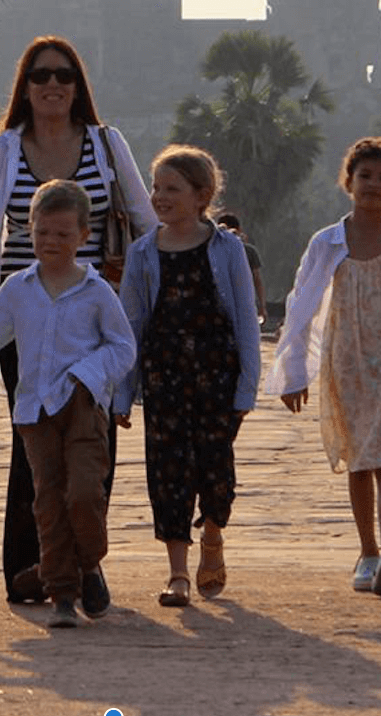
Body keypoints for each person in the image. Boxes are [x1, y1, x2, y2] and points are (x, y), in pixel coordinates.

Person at [0, 35, 155, 607]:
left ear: (79, 87)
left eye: (63, 76)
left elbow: (147, 224)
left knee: (90, 441)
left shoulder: (106, 145)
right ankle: (30, 564)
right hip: (22, 313)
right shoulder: (2, 151)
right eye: (41, 76)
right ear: (24, 88)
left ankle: (84, 564)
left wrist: (198, 256)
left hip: (91, 309)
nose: (52, 85)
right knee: (31, 439)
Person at [0, 180, 136, 628]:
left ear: (84, 236)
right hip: (34, 414)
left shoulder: (97, 292)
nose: (51, 243)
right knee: (47, 501)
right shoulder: (18, 289)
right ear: (29, 231)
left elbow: (123, 347)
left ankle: (88, 564)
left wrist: (89, 374)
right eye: (43, 233)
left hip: (82, 407)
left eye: (62, 235)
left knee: (83, 493)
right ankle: (62, 593)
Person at [267, 137, 381, 600]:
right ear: (349, 182)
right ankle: (369, 551)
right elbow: (302, 305)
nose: (373, 185)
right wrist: (294, 370)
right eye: (365, 176)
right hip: (346, 360)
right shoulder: (328, 241)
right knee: (359, 458)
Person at [117, 147, 260, 607]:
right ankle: (177, 572)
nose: (160, 196)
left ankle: (213, 532)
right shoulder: (142, 254)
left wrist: (247, 386)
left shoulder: (227, 248)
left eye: (171, 188)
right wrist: (122, 393)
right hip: (164, 377)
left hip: (217, 375)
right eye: (156, 187)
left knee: (215, 470)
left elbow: (244, 320)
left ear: (202, 196)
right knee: (168, 472)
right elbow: (130, 326)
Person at [215, 211, 268, 329]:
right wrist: (262, 306)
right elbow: (257, 280)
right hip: (243, 302)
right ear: (239, 229)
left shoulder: (213, 251)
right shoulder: (248, 251)